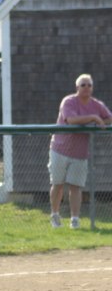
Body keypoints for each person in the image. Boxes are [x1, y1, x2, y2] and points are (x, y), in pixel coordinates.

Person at [49, 73, 112, 229]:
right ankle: (55, 215)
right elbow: (71, 120)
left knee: (76, 187)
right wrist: (94, 118)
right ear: (77, 87)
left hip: (80, 152)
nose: (86, 87)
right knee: (58, 184)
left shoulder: (96, 104)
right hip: (60, 149)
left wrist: (98, 122)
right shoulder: (68, 101)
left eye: (89, 85)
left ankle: (74, 219)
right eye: (83, 85)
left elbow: (109, 117)